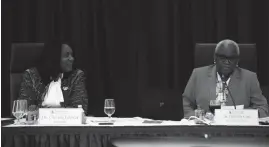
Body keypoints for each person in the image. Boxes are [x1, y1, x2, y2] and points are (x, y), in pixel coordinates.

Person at [182, 39, 268, 118]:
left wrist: (242, 115)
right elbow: (187, 103)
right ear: (215, 58)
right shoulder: (198, 75)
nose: (227, 62)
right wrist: (199, 117)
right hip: (205, 130)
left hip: (238, 131)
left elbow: (262, 108)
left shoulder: (249, 78)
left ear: (237, 60)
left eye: (231, 58)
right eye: (222, 58)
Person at [18, 40, 88, 114]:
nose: (72, 59)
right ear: (55, 57)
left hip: (67, 124)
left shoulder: (76, 76)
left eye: (72, 55)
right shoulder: (31, 75)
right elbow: (24, 109)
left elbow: (80, 109)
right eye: (67, 55)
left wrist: (47, 112)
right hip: (37, 124)